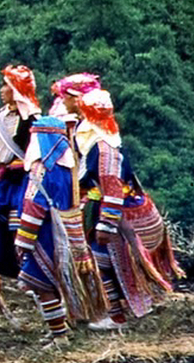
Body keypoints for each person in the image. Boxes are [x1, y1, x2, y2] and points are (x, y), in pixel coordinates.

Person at [71, 85, 177, 330]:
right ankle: (117, 309)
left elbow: (113, 189)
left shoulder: (103, 147)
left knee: (102, 261)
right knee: (104, 261)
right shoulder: (104, 139)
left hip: (111, 212)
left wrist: (105, 224)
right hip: (101, 206)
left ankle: (116, 315)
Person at [12, 112, 106, 346]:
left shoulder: (41, 169)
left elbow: (35, 206)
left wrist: (22, 241)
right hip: (64, 230)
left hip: (45, 234)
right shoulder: (66, 168)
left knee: (40, 283)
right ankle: (59, 326)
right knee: (50, 282)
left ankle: (59, 334)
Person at [0, 64, 39, 281]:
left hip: (20, 180)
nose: (1, 90)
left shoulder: (31, 119)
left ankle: (22, 270)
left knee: (18, 224)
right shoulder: (1, 118)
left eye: (6, 86)